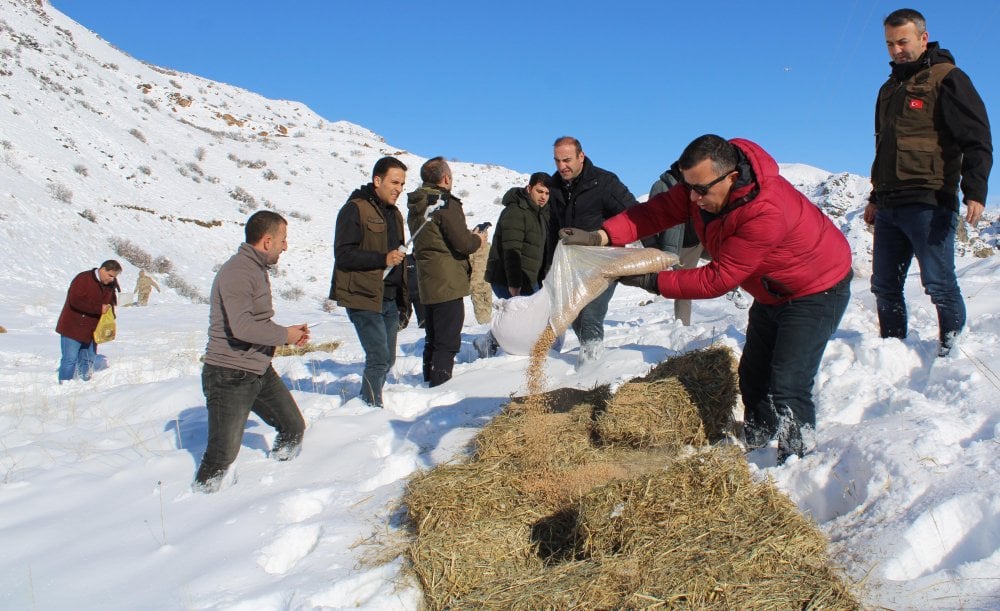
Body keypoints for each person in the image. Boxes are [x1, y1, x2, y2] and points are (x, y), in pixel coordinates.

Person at [561, 135, 853, 463]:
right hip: (772, 291)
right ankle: (757, 438)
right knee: (753, 373)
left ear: (730, 177)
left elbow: (717, 279)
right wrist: (602, 235)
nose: (694, 199)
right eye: (690, 189)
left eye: (701, 190)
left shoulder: (764, 211)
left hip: (817, 289)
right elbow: (653, 213)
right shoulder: (702, 188)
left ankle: (796, 458)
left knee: (788, 381)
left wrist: (650, 281)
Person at [864, 8, 992, 357]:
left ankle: (953, 348)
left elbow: (976, 138)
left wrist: (975, 191)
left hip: (930, 200)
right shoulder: (889, 89)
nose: (895, 51)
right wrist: (875, 196)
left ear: (923, 37)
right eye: (889, 44)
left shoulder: (948, 78)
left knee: (938, 282)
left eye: (902, 42)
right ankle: (892, 351)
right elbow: (883, 148)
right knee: (884, 285)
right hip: (890, 204)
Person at [195, 211, 309, 492]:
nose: (285, 246)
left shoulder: (255, 269)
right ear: (267, 241)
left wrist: (288, 333)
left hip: (257, 369)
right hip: (229, 375)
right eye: (283, 240)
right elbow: (242, 328)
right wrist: (285, 335)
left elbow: (255, 321)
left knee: (293, 427)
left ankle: (279, 484)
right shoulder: (238, 271)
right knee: (221, 456)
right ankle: (201, 501)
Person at [549, 136, 639, 365]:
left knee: (591, 315)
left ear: (581, 156)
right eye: (557, 161)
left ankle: (591, 372)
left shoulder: (604, 183)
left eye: (567, 160)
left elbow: (637, 216)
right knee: (576, 316)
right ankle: (591, 356)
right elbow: (550, 228)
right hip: (573, 264)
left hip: (604, 261)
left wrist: (657, 251)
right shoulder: (555, 186)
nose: (562, 166)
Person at [331, 156, 410, 408]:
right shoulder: (355, 209)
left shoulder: (395, 214)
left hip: (388, 297)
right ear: (377, 180)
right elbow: (343, 254)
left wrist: (403, 298)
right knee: (378, 357)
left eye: (402, 184)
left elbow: (397, 254)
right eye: (394, 182)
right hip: (362, 294)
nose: (398, 189)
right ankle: (370, 406)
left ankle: (368, 400)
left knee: (388, 361)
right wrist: (382, 258)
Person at [407, 157, 486, 386]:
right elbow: (463, 244)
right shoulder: (444, 203)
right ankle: (439, 385)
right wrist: (478, 239)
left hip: (427, 278)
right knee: (448, 341)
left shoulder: (418, 203)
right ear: (445, 178)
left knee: (432, 338)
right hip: (447, 281)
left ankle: (427, 381)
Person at [485, 172, 552, 299]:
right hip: (509, 283)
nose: (543, 196)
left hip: (531, 281)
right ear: (529, 188)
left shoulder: (542, 214)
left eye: (547, 193)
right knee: (518, 318)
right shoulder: (516, 211)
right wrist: (514, 284)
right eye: (539, 191)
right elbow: (511, 248)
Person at [56, 260, 121, 382]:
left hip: (92, 329)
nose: (112, 279)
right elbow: (75, 301)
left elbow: (111, 302)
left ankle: (84, 384)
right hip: (73, 327)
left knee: (88, 358)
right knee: (69, 359)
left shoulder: (110, 284)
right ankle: (64, 387)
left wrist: (110, 317)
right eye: (110, 275)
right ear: (102, 270)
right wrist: (98, 308)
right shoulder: (83, 279)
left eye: (114, 277)